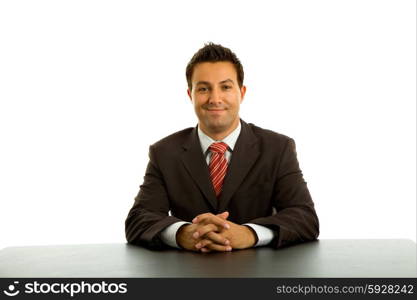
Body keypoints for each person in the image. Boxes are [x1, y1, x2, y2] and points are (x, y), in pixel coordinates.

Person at [125, 42, 319, 253]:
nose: (215, 99)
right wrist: (183, 234)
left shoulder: (277, 148)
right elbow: (138, 219)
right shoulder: (164, 153)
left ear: (241, 93)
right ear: (190, 95)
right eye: (203, 89)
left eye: (225, 87)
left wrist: (250, 234)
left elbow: (305, 217)